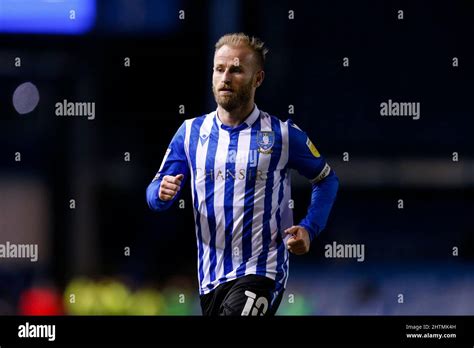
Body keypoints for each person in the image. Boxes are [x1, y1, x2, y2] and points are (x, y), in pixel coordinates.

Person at [146, 33, 339, 316]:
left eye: (236, 70)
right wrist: (161, 194)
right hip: (210, 279)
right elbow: (153, 192)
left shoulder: (282, 135)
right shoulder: (189, 133)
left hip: (262, 271)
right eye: (219, 69)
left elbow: (326, 179)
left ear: (257, 79)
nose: (225, 77)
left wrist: (309, 229)